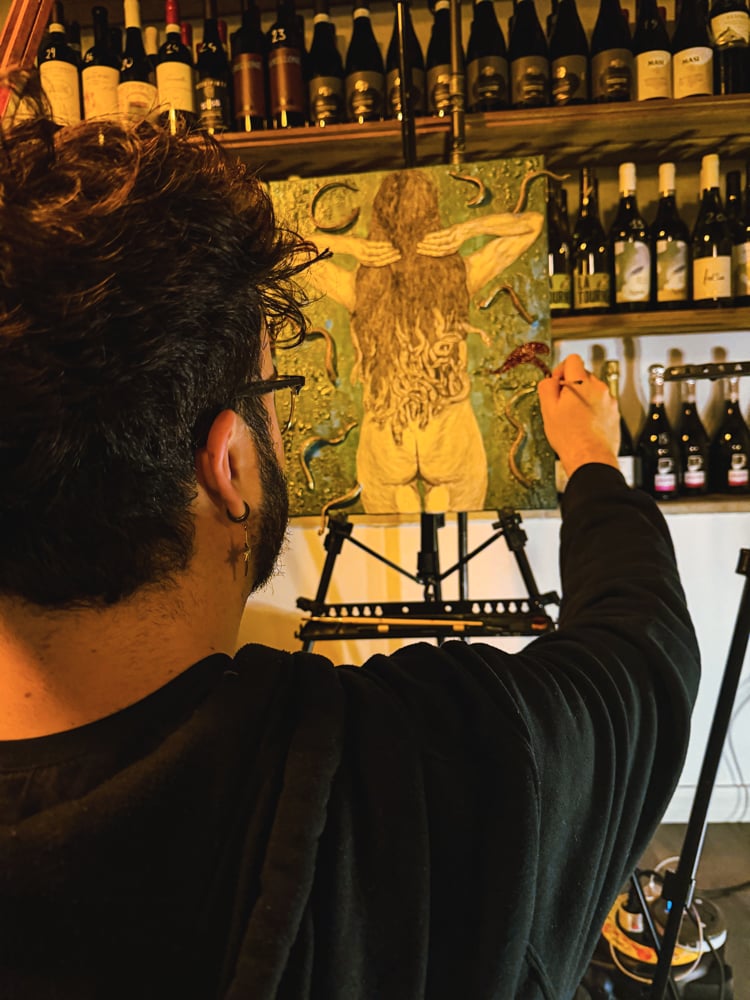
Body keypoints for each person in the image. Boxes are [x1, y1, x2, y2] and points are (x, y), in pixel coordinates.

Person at [0, 75, 701, 1000]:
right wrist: (591, 458)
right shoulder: (437, 771)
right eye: (271, 395)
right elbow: (644, 651)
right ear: (229, 464)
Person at [302, 169, 544, 514]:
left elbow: (287, 250)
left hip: (387, 440)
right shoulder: (460, 277)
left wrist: (349, 245)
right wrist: (466, 230)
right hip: (448, 437)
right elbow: (532, 224)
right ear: (434, 218)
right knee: (459, 541)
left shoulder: (358, 288)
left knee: (390, 544)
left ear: (378, 220)